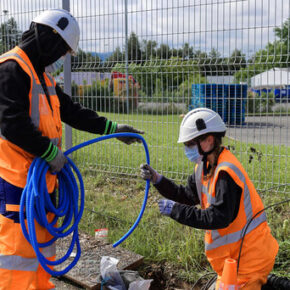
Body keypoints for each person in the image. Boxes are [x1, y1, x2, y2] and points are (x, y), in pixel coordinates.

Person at [0, 8, 143, 290]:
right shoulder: (11, 68)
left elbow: (72, 112)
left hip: (44, 181)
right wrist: (50, 153)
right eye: (62, 50)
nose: (61, 57)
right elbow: (11, 123)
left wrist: (112, 129)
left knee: (42, 253)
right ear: (48, 38)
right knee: (18, 256)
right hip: (18, 182)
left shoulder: (42, 76)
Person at [140, 108, 278, 290]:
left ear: (209, 140)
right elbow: (186, 196)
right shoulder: (203, 167)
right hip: (234, 261)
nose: (187, 149)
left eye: (190, 143)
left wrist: (176, 210)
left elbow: (218, 217)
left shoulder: (225, 173)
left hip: (249, 261)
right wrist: (158, 180)